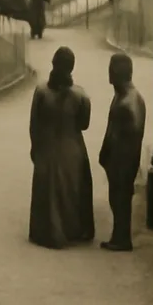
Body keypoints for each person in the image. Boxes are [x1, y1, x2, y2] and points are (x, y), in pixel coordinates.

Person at [28, 46, 95, 249]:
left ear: (53, 64)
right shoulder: (80, 96)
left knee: (47, 189)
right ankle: (73, 229)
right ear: (71, 68)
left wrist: (36, 147)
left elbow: (34, 124)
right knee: (72, 189)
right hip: (72, 147)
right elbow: (84, 124)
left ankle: (47, 231)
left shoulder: (41, 92)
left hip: (48, 147)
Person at [98, 53, 147, 252]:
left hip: (122, 160)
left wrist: (109, 155)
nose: (108, 74)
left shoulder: (126, 103)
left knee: (119, 198)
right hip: (121, 159)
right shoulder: (127, 96)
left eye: (111, 69)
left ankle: (121, 238)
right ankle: (119, 235)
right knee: (118, 198)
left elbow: (122, 135)